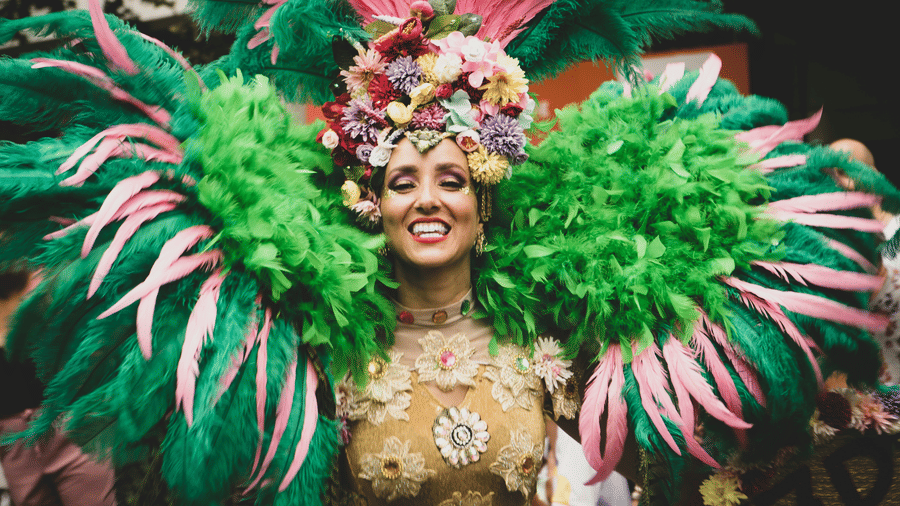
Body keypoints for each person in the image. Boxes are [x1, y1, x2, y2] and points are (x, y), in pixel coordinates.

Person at [2, 1, 899, 506]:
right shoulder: (325, 348)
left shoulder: (548, 336)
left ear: (481, 201)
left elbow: (688, 450)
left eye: (451, 179)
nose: (427, 198)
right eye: (401, 181)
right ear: (371, 201)